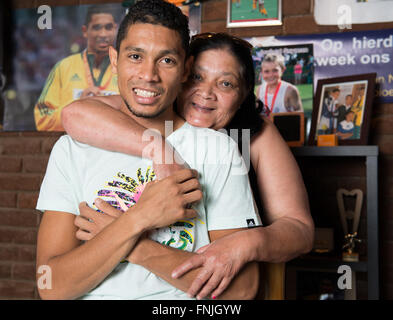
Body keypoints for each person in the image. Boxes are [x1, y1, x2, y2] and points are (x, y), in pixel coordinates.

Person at [36, 0, 262, 300]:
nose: (148, 75)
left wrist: (137, 245)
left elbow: (242, 291)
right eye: (135, 56)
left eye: (166, 60)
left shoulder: (216, 150)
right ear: (114, 60)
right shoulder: (70, 149)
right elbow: (51, 287)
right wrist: (139, 218)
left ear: (185, 69)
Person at [62, 32, 314, 299]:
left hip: (223, 284)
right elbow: (74, 114)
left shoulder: (257, 134)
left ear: (242, 96)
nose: (206, 93)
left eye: (225, 84)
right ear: (180, 76)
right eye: (197, 77)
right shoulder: (154, 112)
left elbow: (300, 230)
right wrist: (160, 149)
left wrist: (245, 242)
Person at [33, 4, 119, 131]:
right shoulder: (64, 67)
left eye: (108, 27)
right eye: (96, 27)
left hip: (115, 146)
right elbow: (42, 118)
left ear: (115, 29)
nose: (103, 34)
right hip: (74, 148)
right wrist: (77, 107)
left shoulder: (127, 67)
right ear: (85, 31)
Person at [256, 53, 303, 117]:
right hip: (266, 126)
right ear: (261, 73)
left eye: (275, 70)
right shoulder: (259, 89)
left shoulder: (290, 90)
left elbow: (300, 117)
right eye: (266, 71)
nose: (271, 75)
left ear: (282, 70)